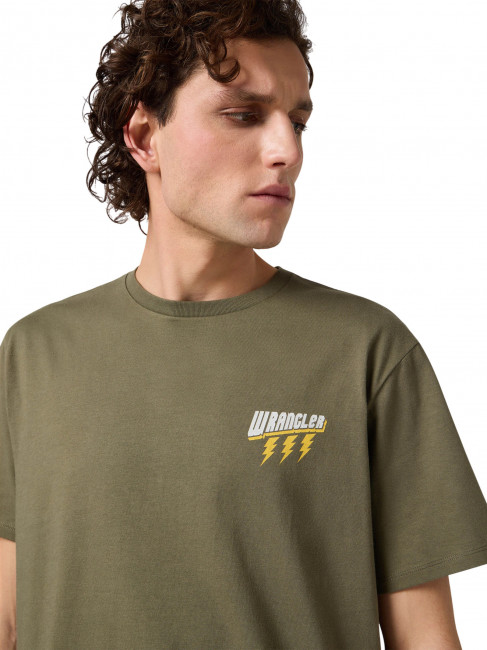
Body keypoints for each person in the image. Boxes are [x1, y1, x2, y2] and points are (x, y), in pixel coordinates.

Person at [1, 0, 486, 648]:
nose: (287, 150)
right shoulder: (33, 355)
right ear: (143, 136)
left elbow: (425, 640)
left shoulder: (365, 353)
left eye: (297, 121)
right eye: (243, 115)